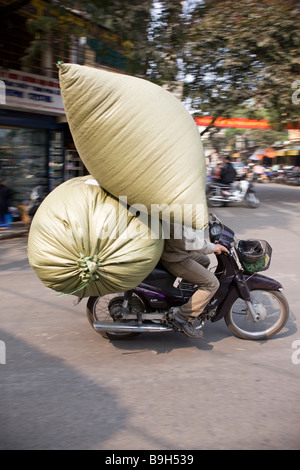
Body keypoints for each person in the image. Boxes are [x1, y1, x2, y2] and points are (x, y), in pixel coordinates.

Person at [160, 224, 229, 338]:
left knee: (204, 260)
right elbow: (190, 241)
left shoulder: (178, 210)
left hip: (178, 252)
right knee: (212, 284)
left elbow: (191, 231)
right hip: (174, 258)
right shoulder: (172, 216)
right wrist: (213, 247)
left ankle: (184, 298)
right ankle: (182, 317)